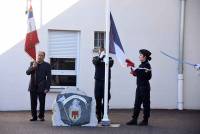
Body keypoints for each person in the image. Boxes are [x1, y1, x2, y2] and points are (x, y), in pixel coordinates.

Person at [127, 49, 152, 126]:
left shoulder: (147, 65)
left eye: (140, 55)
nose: (139, 56)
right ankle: (134, 119)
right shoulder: (141, 65)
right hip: (139, 87)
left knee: (146, 104)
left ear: (145, 57)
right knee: (137, 104)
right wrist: (133, 70)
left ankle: (145, 120)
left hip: (145, 87)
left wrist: (136, 72)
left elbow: (148, 76)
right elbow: (138, 73)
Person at [26, 51, 51, 121]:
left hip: (42, 87)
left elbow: (49, 78)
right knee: (33, 103)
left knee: (42, 103)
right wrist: (33, 67)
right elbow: (27, 72)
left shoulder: (47, 65)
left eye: (41, 55)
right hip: (33, 86)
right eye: (39, 55)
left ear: (44, 57)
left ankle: (41, 116)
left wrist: (47, 88)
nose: (40, 57)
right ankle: (34, 116)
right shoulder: (32, 63)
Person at [92, 47, 114, 123]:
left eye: (102, 51)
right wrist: (100, 57)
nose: (101, 52)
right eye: (100, 51)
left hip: (106, 82)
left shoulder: (109, 58)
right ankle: (98, 117)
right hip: (98, 82)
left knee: (106, 100)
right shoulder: (95, 58)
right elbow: (96, 62)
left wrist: (105, 58)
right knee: (98, 99)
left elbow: (110, 64)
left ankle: (105, 115)